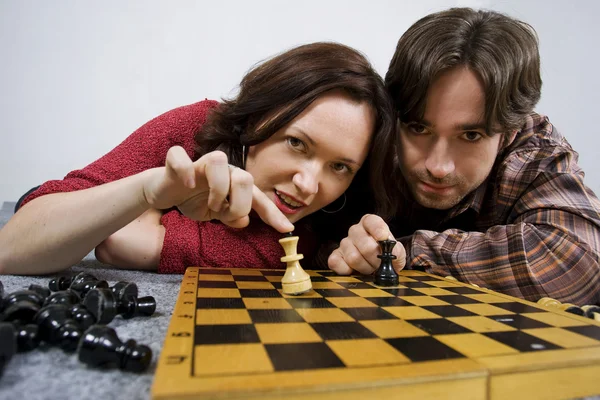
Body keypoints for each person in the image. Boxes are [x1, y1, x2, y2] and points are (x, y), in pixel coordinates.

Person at [0, 42, 397, 276]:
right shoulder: (196, 126)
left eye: (340, 167)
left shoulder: (333, 224)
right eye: (296, 143)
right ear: (257, 118)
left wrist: (157, 233)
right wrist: (147, 191)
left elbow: (122, 243)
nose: (309, 185)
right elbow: (12, 247)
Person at [328, 8, 600, 306]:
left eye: (471, 135)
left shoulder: (533, 149)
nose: (438, 167)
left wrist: (406, 249)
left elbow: (577, 263)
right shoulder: (371, 131)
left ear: (509, 132)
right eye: (419, 128)